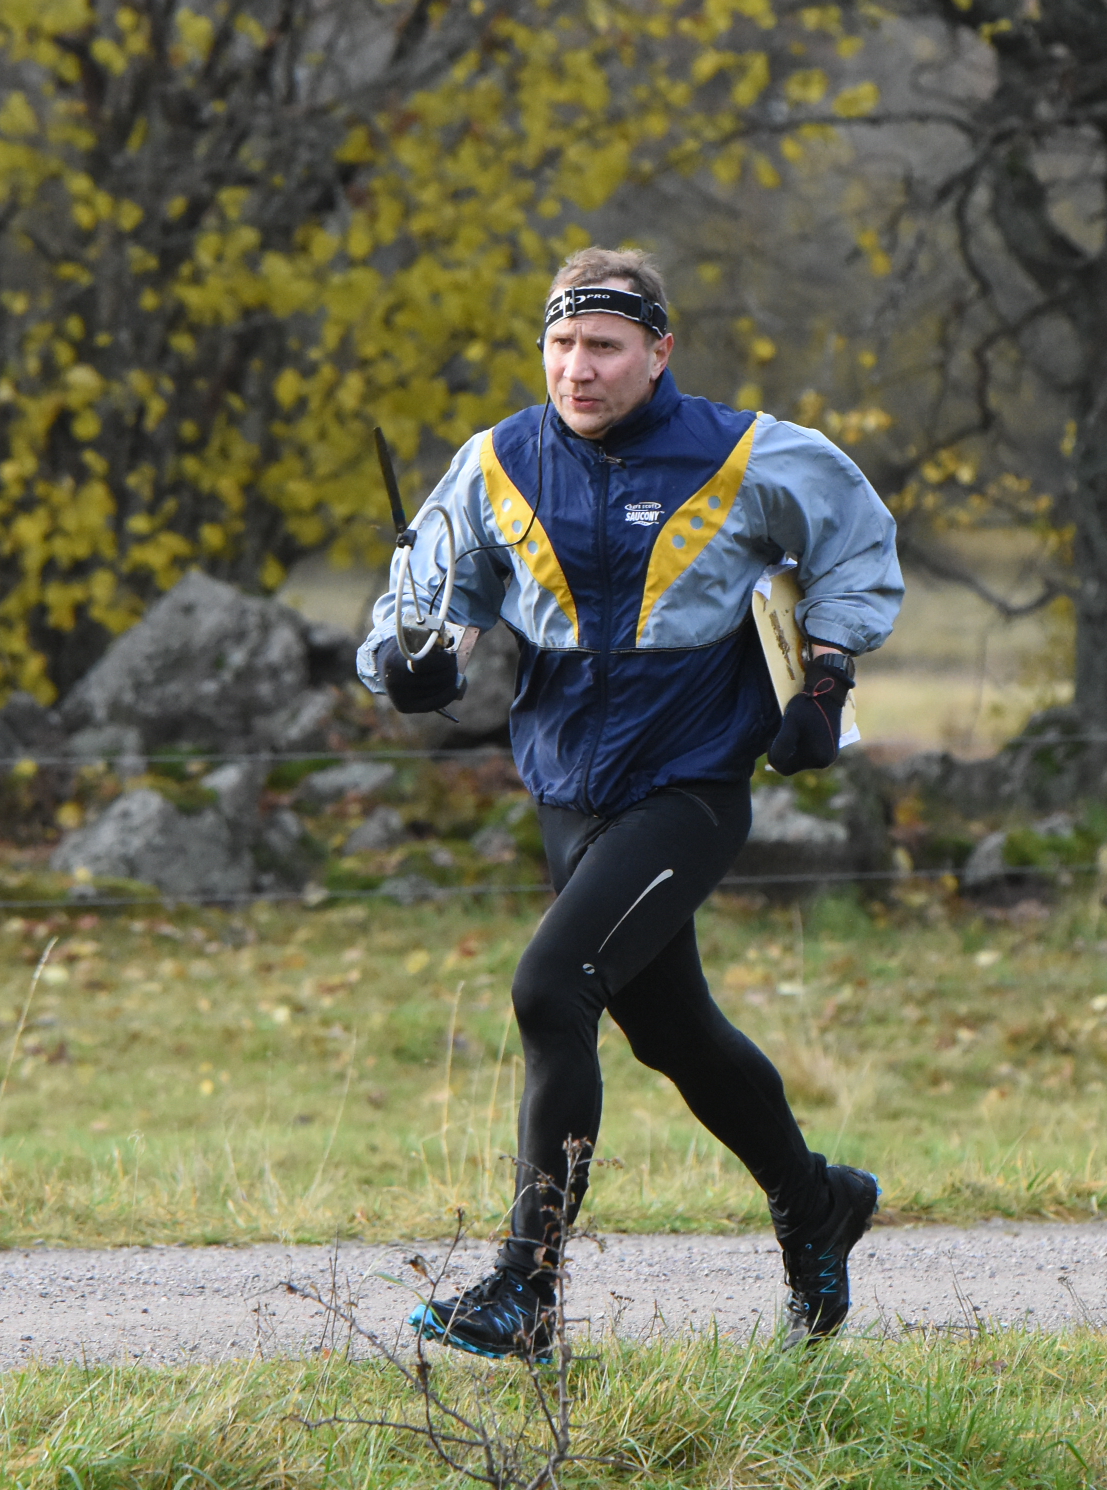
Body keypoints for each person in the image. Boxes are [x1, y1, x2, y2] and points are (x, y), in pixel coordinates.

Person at [356, 246, 902, 1357]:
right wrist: (411, 664)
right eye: (561, 344)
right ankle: (817, 1200)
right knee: (676, 1034)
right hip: (568, 792)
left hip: (686, 786)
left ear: (658, 352)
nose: (579, 367)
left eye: (604, 345)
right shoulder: (498, 461)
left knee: (550, 988)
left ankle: (526, 1289)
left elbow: (858, 541)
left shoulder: (744, 453)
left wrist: (827, 674)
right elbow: (433, 599)